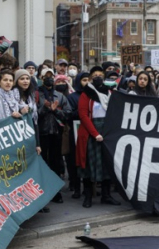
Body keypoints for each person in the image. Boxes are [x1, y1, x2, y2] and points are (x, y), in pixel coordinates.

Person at [77, 65, 120, 208]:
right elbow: (83, 115)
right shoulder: (86, 94)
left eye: (100, 74)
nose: (97, 77)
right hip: (91, 132)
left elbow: (115, 112)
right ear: (90, 78)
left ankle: (106, 196)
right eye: (94, 75)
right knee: (89, 165)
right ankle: (88, 196)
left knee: (106, 164)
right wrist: (95, 133)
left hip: (106, 131)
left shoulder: (109, 92)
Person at [37, 69, 71, 204]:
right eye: (46, 76)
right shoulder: (37, 95)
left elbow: (68, 114)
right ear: (41, 77)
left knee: (56, 163)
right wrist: (45, 108)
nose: (49, 79)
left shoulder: (60, 96)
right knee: (43, 163)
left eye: (51, 76)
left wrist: (55, 110)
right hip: (41, 133)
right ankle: (43, 193)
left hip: (57, 133)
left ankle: (56, 192)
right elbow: (34, 115)